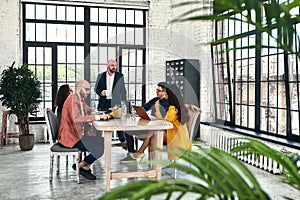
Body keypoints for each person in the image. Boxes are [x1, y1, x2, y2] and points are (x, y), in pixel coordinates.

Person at [58, 79, 110, 180]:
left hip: (77, 135)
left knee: (103, 142)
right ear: (79, 88)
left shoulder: (79, 99)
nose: (88, 92)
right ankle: (81, 166)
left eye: (89, 89)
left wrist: (94, 113)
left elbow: (88, 109)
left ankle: (85, 166)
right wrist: (97, 117)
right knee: (99, 149)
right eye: (86, 89)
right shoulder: (72, 99)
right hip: (71, 138)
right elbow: (77, 118)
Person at [130, 84, 192, 162]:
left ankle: (141, 152)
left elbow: (164, 122)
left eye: (166, 93)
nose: (165, 94)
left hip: (177, 138)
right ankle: (153, 168)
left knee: (154, 132)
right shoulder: (174, 106)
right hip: (172, 134)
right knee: (153, 137)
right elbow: (164, 119)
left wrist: (157, 109)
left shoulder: (173, 108)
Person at [120, 82, 169, 163]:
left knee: (151, 133)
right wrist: (137, 112)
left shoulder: (169, 103)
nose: (156, 92)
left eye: (158, 90)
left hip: (160, 130)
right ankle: (131, 154)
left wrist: (157, 108)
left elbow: (164, 119)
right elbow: (145, 107)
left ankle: (139, 153)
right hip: (151, 126)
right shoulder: (155, 100)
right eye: (156, 90)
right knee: (128, 131)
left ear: (165, 92)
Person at [95, 59, 127, 146]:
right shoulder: (100, 76)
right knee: (101, 122)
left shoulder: (120, 76)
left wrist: (124, 105)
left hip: (116, 104)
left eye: (115, 65)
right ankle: (96, 142)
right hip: (103, 103)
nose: (114, 67)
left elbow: (123, 91)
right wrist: (101, 92)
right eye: (112, 65)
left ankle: (123, 142)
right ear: (108, 66)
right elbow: (96, 89)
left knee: (119, 123)